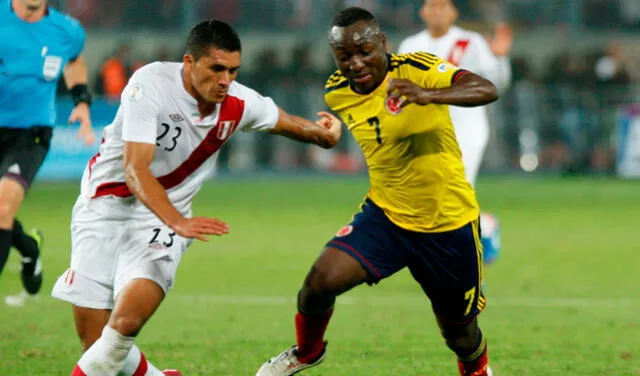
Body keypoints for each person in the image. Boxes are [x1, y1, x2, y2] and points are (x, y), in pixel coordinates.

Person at [51, 19, 342, 376]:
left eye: (233, 70)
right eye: (216, 68)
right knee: (95, 344)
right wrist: (179, 220)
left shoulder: (237, 102)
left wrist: (323, 136)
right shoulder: (150, 85)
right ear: (189, 63)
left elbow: (285, 121)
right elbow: (135, 169)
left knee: (123, 326)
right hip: (104, 206)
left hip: (160, 223)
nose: (225, 80)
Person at [256, 7, 498, 376]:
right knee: (318, 284)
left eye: (364, 51)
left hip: (447, 223)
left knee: (460, 334)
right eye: (344, 56)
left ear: (382, 43)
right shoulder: (337, 92)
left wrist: (429, 96)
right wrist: (328, 136)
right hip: (386, 219)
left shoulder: (418, 68)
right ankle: (306, 353)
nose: (355, 63)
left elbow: (486, 89)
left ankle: (478, 369)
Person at [397, 0, 513, 264]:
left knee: (457, 190)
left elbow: (497, 84)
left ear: (454, 12)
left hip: (467, 127)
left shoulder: (470, 41)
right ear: (423, 11)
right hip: (427, 129)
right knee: (432, 193)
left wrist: (500, 57)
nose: (437, 11)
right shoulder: (410, 45)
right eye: (432, 6)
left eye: (442, 6)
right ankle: (486, 226)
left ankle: (462, 263)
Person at [0, 0, 94, 300]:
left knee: (3, 206)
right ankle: (28, 247)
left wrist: (81, 100)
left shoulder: (67, 31)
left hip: (31, 133)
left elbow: (74, 61)